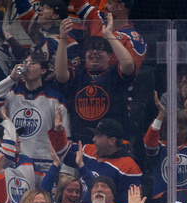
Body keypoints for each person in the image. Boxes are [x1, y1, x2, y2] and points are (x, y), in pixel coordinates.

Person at [54, 15, 136, 144]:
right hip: (82, 141)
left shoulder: (113, 73)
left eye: (101, 50)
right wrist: (63, 40)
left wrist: (109, 34)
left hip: (112, 142)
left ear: (109, 56)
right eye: (90, 49)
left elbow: (128, 65)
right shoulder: (78, 74)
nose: (94, 53)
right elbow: (61, 75)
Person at [0, 50, 69, 173]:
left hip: (44, 165)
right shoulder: (12, 94)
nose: (26, 66)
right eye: (25, 63)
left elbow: (66, 138)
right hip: (15, 164)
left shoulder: (55, 99)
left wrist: (66, 171)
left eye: (32, 63)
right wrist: (12, 78)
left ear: (43, 70)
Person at [75, 118, 142, 203]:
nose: (93, 139)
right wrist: (58, 130)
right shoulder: (89, 150)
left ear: (112, 141)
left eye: (98, 135)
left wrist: (82, 167)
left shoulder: (129, 167)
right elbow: (63, 151)